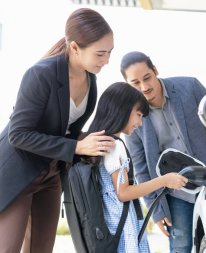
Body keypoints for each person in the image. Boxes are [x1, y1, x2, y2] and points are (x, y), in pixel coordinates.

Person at [0, 8, 115, 253]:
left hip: (51, 173)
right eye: (100, 53)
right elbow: (18, 134)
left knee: (41, 250)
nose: (106, 60)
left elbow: (67, 130)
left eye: (109, 53)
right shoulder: (40, 75)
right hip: (18, 173)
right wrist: (76, 146)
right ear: (75, 48)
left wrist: (96, 141)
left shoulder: (91, 80)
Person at [120, 51, 206, 253]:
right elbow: (140, 168)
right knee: (180, 245)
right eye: (136, 83)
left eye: (147, 78)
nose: (144, 87)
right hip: (175, 192)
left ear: (155, 71)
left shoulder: (190, 87)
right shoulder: (131, 116)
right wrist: (156, 210)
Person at [85, 82, 189, 253]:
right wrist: (164, 180)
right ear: (122, 109)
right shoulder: (115, 146)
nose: (140, 123)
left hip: (110, 227)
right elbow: (124, 193)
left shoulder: (98, 143)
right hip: (122, 228)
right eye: (139, 115)